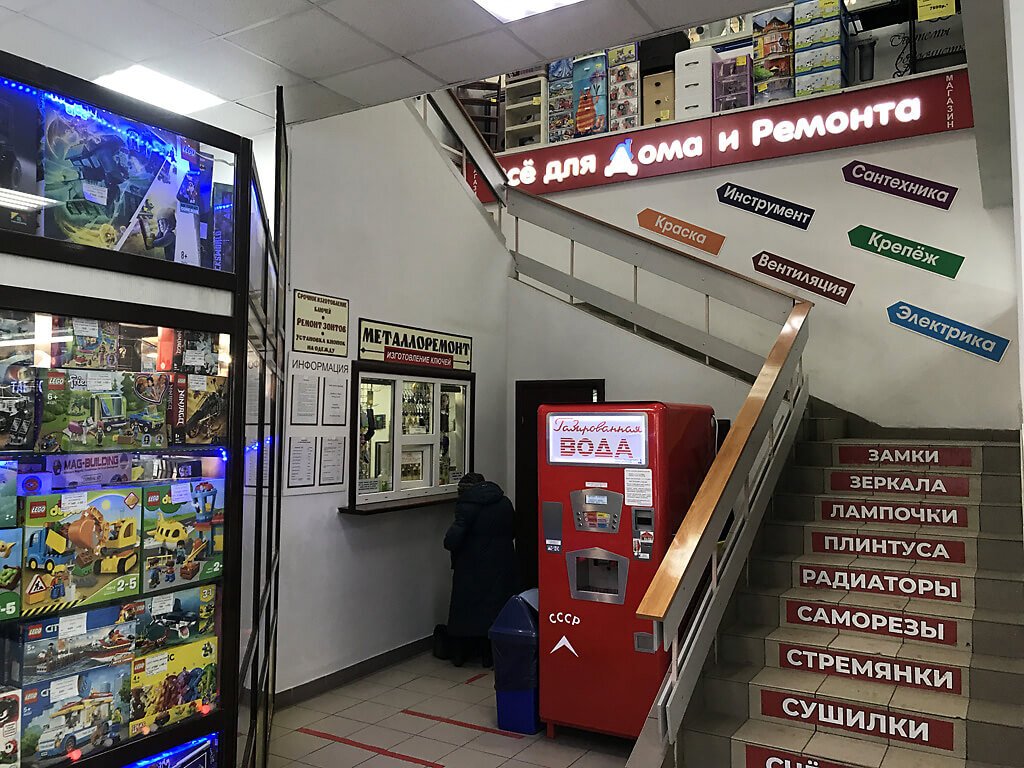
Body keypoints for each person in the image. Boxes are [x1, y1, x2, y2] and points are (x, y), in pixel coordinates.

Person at [444, 473, 518, 667]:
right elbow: (513, 530)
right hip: (501, 563)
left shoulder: (466, 507)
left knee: (464, 610)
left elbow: (452, 540)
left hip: (471, 566)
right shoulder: (504, 502)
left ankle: (460, 655)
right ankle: (489, 655)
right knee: (494, 607)